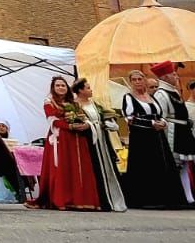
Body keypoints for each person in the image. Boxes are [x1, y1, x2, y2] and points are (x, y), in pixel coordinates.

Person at [121, 69, 185, 209]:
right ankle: (146, 199)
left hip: (157, 136)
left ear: (144, 80)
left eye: (140, 79)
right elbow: (130, 119)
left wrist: (163, 122)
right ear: (131, 82)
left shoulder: (152, 97)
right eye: (134, 80)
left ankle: (165, 198)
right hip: (141, 138)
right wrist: (151, 124)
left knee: (162, 164)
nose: (138, 82)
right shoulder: (129, 97)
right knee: (145, 166)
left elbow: (161, 114)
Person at [36, 76, 100, 211]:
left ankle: (79, 199)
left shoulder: (74, 102)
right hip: (61, 138)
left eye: (63, 85)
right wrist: (69, 127)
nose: (60, 88)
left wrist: (84, 124)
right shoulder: (49, 102)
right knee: (63, 168)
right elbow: (53, 120)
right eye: (57, 85)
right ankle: (61, 199)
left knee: (78, 168)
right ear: (53, 88)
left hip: (76, 138)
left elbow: (83, 117)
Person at [73, 80, 126, 212]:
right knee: (94, 168)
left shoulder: (95, 104)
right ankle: (100, 200)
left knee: (108, 167)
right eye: (88, 88)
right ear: (80, 90)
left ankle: (113, 199)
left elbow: (102, 117)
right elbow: (76, 122)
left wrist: (107, 123)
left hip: (101, 139)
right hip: (89, 141)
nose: (91, 90)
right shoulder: (75, 106)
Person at [151, 62, 195, 204]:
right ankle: (175, 196)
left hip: (182, 130)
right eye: (173, 74)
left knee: (184, 165)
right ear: (164, 77)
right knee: (174, 164)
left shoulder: (175, 92)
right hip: (172, 132)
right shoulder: (161, 94)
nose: (176, 76)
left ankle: (188, 197)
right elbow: (160, 115)